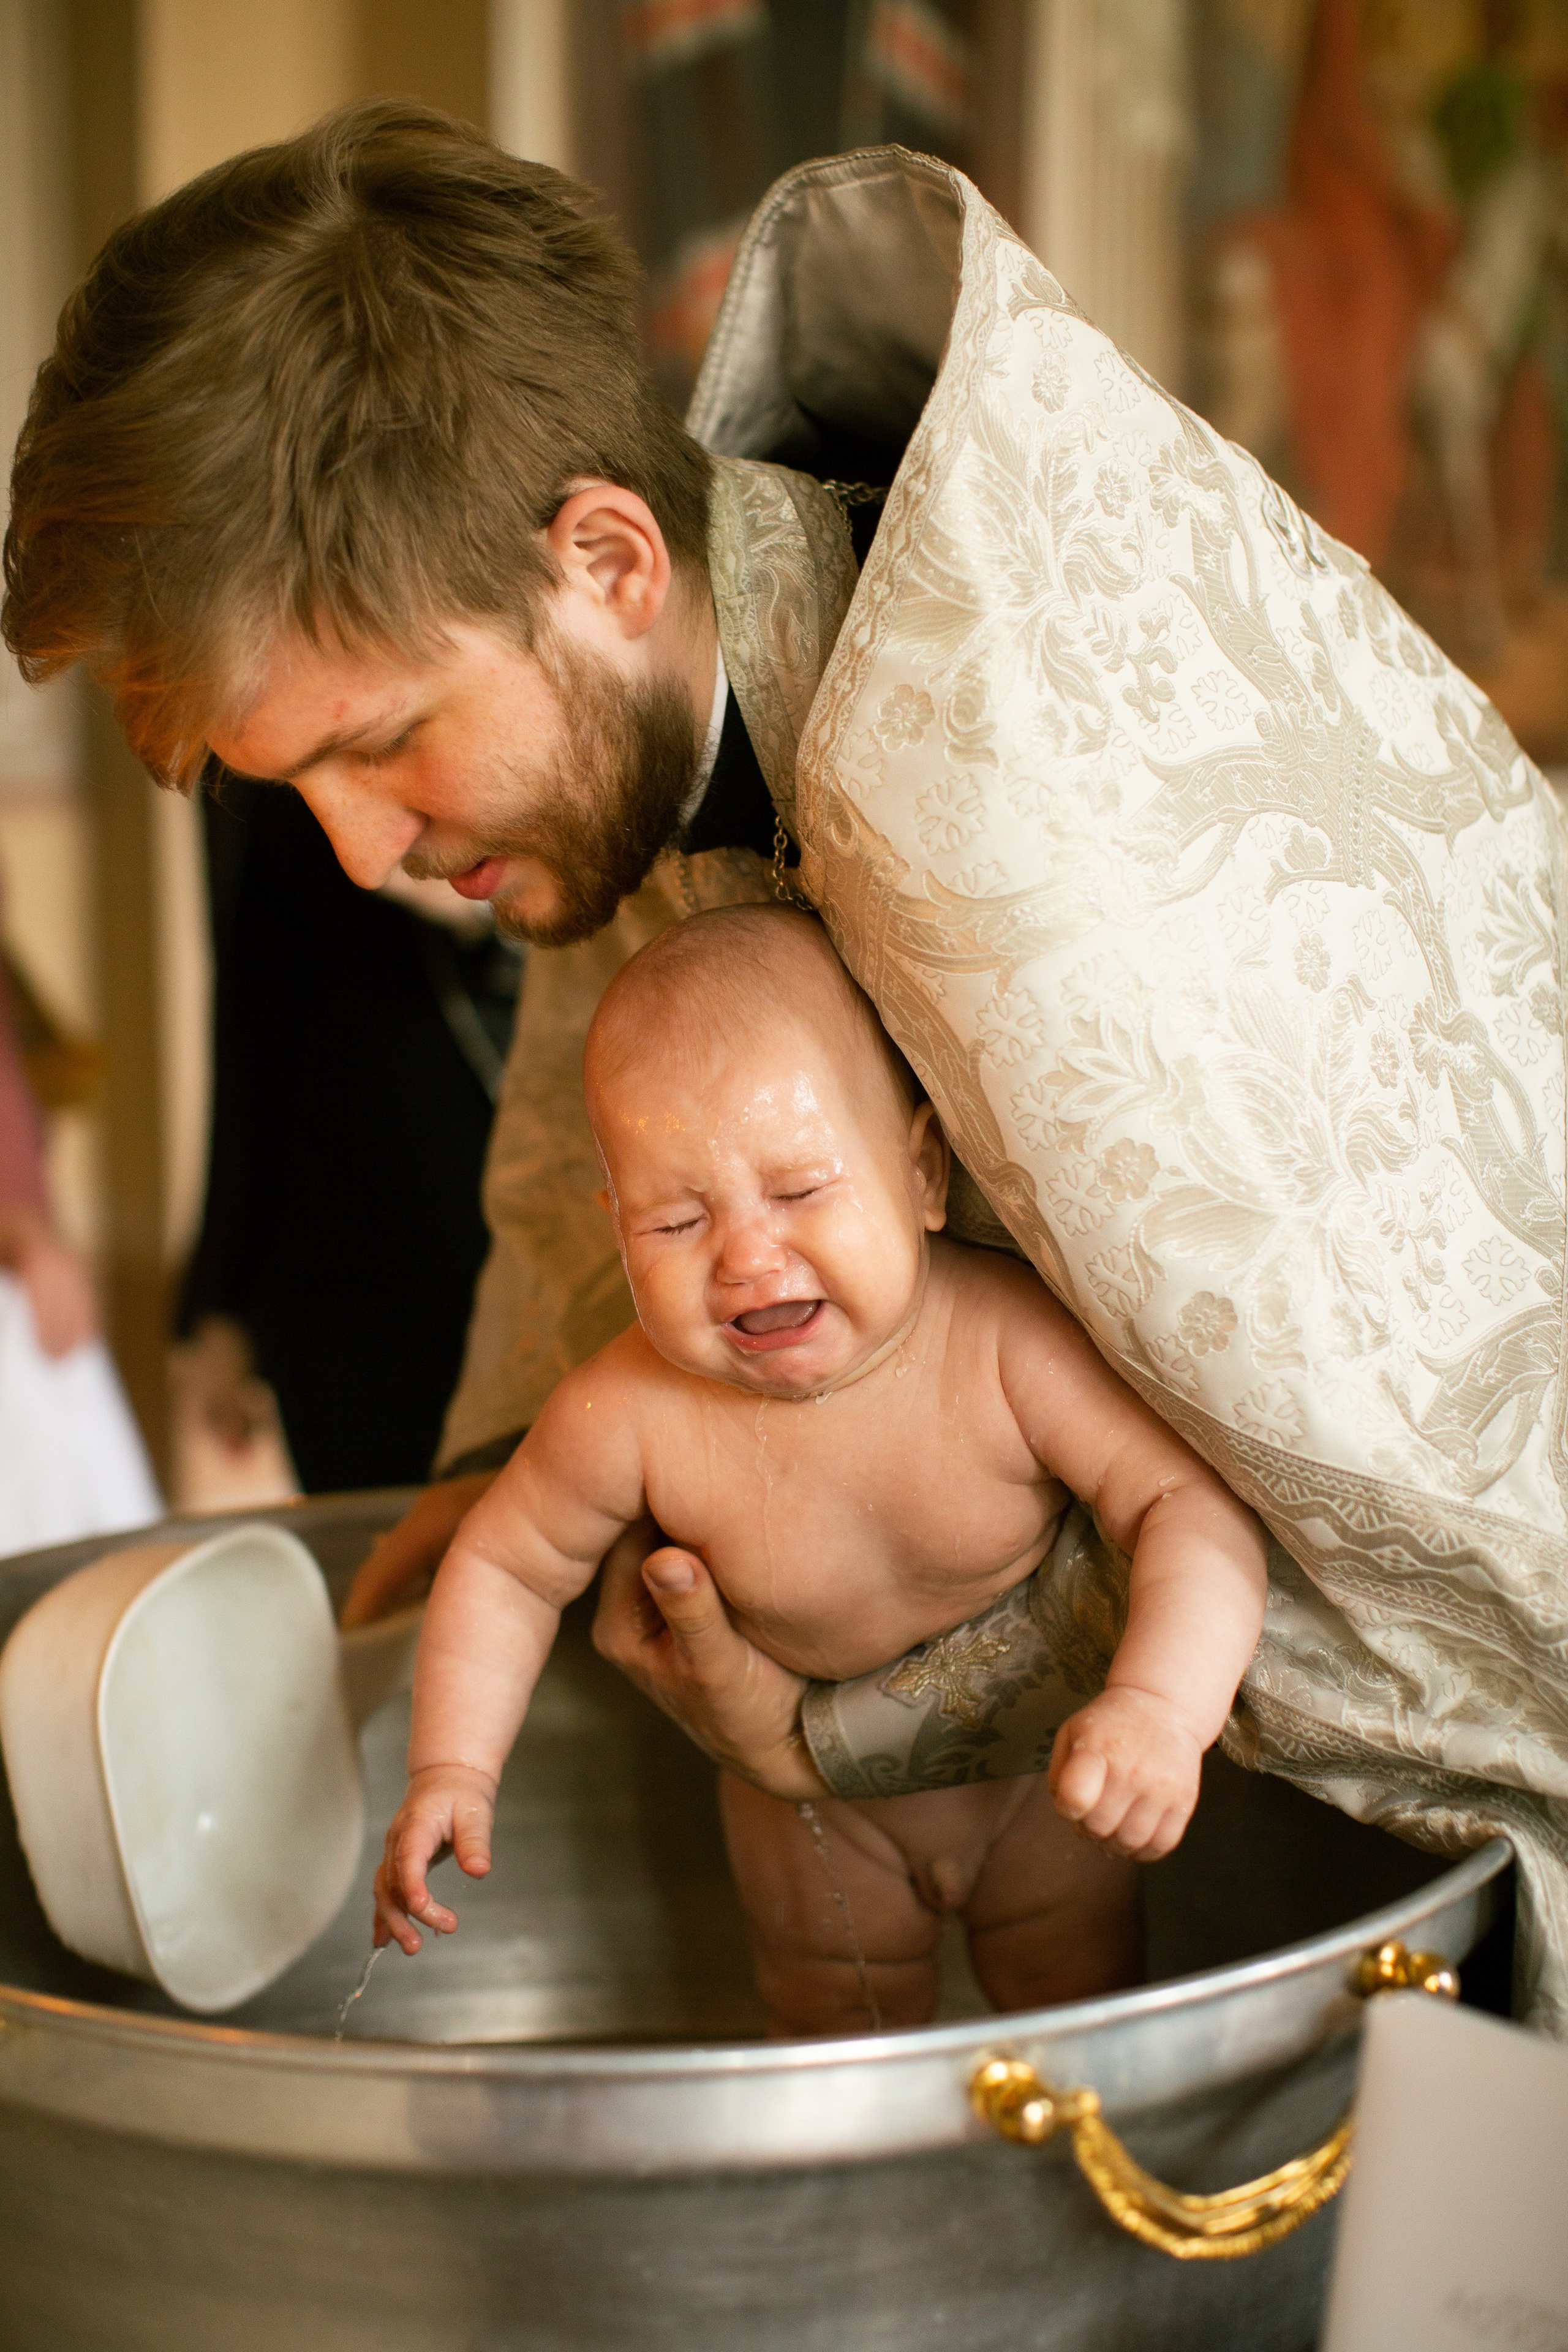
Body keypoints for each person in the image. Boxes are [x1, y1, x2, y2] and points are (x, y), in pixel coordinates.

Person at [9, 104, 1568, 2032]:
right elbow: (605, 1131)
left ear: (607, 562)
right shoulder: (704, 715)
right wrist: (511, 1476)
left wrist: (806, 1732)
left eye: (385, 741)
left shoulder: (1038, 847)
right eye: (294, 787)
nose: (356, 852)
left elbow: (1365, 1558)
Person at [371, 907, 1267, 2032]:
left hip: (1040, 1793)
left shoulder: (1004, 1349)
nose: (746, 1257)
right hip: (815, 1818)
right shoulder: (627, 1411)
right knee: (833, 2034)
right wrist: (451, 1769)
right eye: (675, 1221)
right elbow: (505, 1569)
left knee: (1080, 2022)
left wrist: (1159, 1708)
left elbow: (1188, 1505)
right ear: (616, 1234)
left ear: (925, 1175)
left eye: (798, 1192)